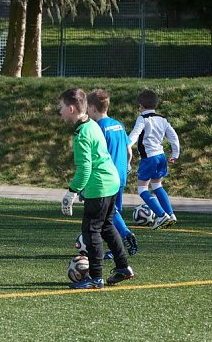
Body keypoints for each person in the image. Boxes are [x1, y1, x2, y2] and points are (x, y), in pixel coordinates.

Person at [59, 88, 134, 289]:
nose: (60, 111)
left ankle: (96, 277)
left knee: (91, 230)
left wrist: (71, 192)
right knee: (107, 226)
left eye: (62, 107)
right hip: (112, 182)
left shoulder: (82, 133)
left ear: (72, 109)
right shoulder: (92, 124)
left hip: (99, 186)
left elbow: (85, 169)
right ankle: (123, 267)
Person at [87, 89, 138, 256]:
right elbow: (128, 150)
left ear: (93, 108)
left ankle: (125, 236)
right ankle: (116, 244)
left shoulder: (97, 128)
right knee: (114, 211)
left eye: (87, 107)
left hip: (107, 177)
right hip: (121, 174)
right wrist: (127, 166)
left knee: (108, 213)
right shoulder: (118, 124)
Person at [128, 89, 180, 230]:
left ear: (141, 106)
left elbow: (135, 134)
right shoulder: (162, 119)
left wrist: (125, 145)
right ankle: (170, 214)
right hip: (161, 157)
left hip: (148, 159)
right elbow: (173, 136)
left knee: (142, 189)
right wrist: (175, 153)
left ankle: (161, 215)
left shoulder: (143, 119)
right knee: (157, 186)